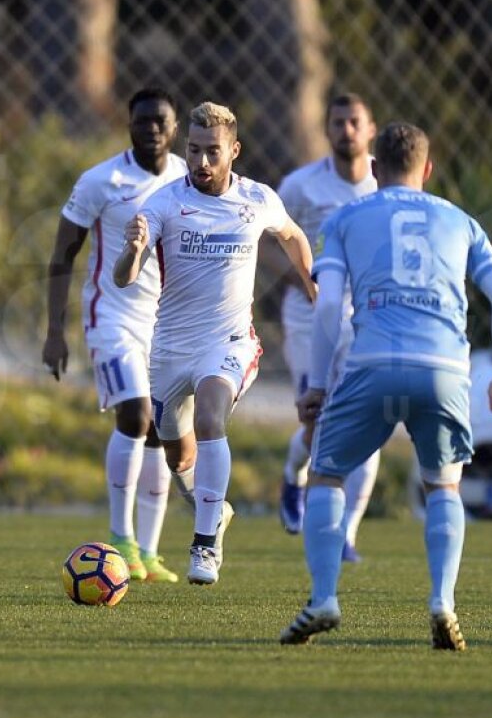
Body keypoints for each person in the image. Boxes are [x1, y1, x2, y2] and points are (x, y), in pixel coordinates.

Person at [279, 122, 492, 650]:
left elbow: (325, 305)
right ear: (427, 170)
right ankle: (442, 602)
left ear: (372, 167)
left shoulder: (345, 219)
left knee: (325, 476)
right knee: (443, 486)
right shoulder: (461, 221)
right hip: (443, 370)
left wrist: (318, 385)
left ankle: (324, 598)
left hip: (373, 365)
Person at [114, 101, 316, 586]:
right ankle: (214, 512)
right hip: (170, 349)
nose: (202, 163)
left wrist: (311, 280)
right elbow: (123, 278)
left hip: (228, 342)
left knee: (210, 413)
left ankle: (205, 547)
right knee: (177, 456)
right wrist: (135, 249)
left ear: (234, 151)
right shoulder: (163, 203)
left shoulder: (258, 199)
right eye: (194, 151)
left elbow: (291, 234)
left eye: (212, 152)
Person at [42, 88, 188, 584]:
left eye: (160, 121)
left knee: (160, 429)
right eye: (142, 120)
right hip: (113, 316)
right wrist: (53, 332)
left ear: (174, 129)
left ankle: (148, 553)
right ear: (129, 125)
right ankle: (120, 538)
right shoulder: (102, 181)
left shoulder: (185, 183)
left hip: (164, 323)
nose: (151, 128)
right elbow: (63, 254)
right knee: (136, 412)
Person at [277, 94, 380, 562]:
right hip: (310, 316)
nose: (347, 131)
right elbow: (269, 240)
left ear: (371, 129)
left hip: (368, 317)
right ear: (327, 129)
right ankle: (293, 475)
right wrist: (302, 279)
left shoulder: (387, 183)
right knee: (315, 421)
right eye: (337, 122)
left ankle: (348, 534)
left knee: (369, 419)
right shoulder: (300, 186)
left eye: (354, 122)